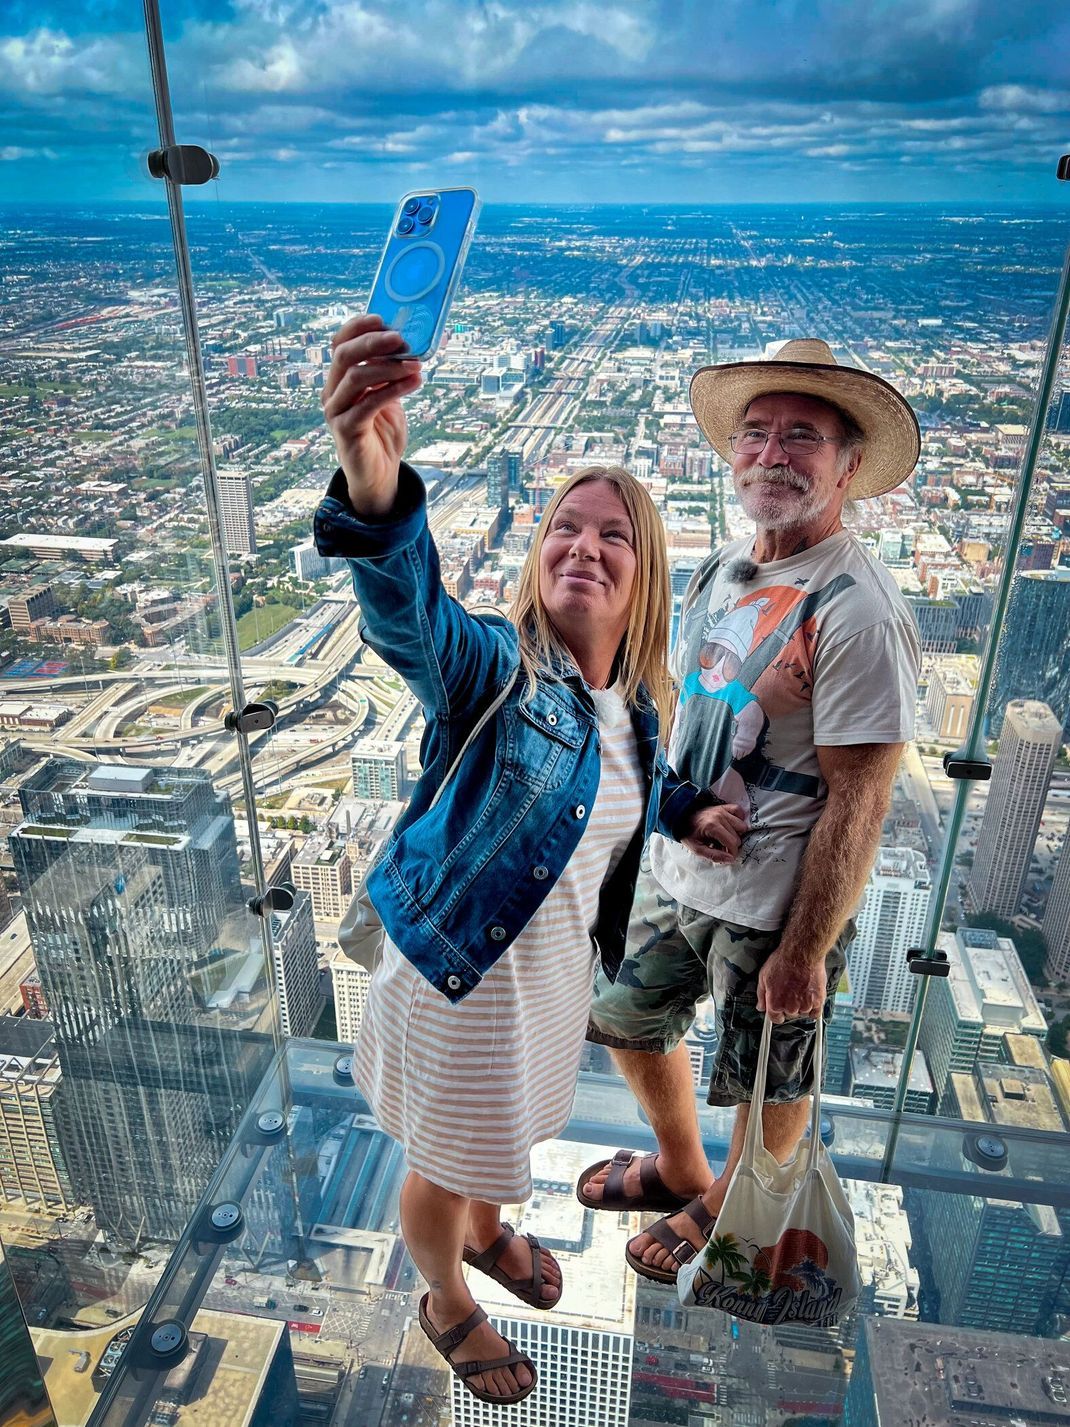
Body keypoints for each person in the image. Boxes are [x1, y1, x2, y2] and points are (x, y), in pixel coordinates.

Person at [313, 315, 724, 1404]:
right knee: (445, 1162)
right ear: (538, 553)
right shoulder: (494, 674)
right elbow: (411, 619)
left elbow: (627, 775)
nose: (582, 546)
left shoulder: (634, 703)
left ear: (644, 580)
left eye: (612, 537)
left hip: (542, 986)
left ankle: (493, 1232)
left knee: (506, 1134)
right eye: (564, 529)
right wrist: (376, 486)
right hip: (460, 983)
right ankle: (445, 1293)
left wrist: (687, 813)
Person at [578, 338, 923, 1286]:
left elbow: (861, 798)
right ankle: (687, 1166)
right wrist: (677, 813)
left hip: (776, 903)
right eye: (756, 433)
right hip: (679, 873)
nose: (773, 453)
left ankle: (732, 1191)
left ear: (848, 465)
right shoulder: (723, 567)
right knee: (621, 1020)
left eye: (802, 437)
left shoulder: (857, 609)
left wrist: (806, 948)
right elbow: (686, 708)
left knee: (771, 1073)